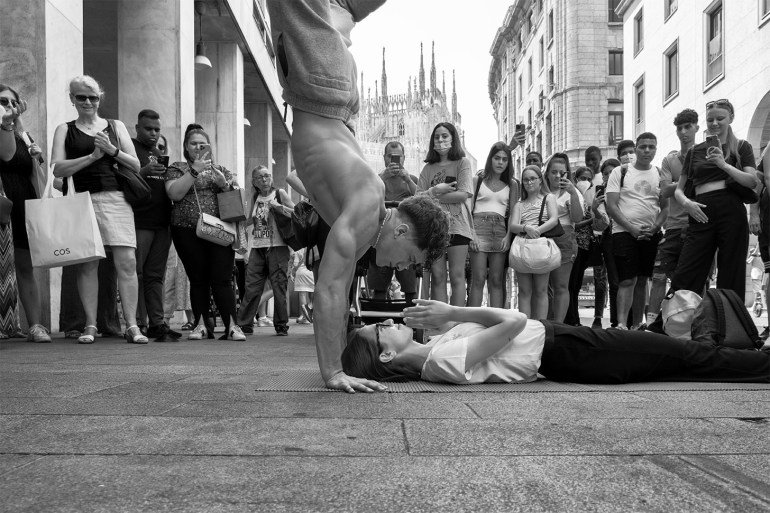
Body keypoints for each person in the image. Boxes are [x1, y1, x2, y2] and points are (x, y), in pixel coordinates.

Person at [266, 0, 449, 393]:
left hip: (329, 92)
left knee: (341, 9)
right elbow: (329, 289)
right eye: (412, 259)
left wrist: (345, 359)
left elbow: (339, 292)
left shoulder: (368, 221)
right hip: (322, 87)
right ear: (402, 232)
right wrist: (333, 372)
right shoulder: (367, 207)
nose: (405, 267)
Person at [341, 300, 770, 386]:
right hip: (572, 352)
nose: (390, 322)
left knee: (680, 360)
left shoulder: (437, 347)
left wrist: (449, 318)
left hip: (566, 344)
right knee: (686, 355)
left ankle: (751, 361)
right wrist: (453, 311)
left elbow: (506, 322)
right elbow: (514, 320)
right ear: (387, 353)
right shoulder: (440, 362)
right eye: (380, 330)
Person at [51, 75, 146, 344]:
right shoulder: (65, 129)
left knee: (127, 261)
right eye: (81, 97)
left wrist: (111, 150)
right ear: (72, 98)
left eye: (93, 97)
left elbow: (136, 165)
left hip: (116, 197)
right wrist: (92, 157)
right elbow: (57, 168)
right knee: (88, 263)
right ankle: (90, 325)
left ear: (100, 98)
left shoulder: (115, 126)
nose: (88, 102)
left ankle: (132, 325)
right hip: (82, 200)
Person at [671, 99, 758, 299]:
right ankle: (677, 315)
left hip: (731, 209)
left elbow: (752, 181)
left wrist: (723, 164)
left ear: (731, 118)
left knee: (732, 271)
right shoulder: (694, 151)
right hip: (700, 210)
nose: (715, 123)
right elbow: (679, 190)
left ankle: (728, 316)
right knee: (686, 272)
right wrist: (686, 203)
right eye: (710, 120)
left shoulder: (741, 146)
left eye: (720, 118)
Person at [165, 123, 244, 341]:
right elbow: (174, 194)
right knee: (198, 278)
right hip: (185, 229)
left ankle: (232, 326)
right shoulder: (177, 168)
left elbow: (236, 200)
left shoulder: (221, 170)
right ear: (186, 146)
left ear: (209, 146)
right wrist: (194, 170)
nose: (198, 147)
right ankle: (201, 325)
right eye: (193, 143)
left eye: (203, 143)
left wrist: (224, 185)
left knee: (223, 278)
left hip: (219, 230)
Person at [0, 84, 50, 342]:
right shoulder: (6, 130)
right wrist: (8, 124)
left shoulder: (23, 135)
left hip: (23, 203)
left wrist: (37, 159)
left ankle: (36, 326)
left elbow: (37, 177)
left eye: (13, 102)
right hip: (2, 202)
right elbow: (7, 157)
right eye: (3, 101)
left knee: (25, 267)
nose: (9, 106)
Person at [606, 133, 668, 330]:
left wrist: (655, 228)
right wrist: (631, 228)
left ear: (656, 149)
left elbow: (665, 208)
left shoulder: (659, 173)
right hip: (623, 233)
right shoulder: (620, 171)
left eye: (651, 147)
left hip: (650, 235)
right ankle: (621, 324)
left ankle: (636, 325)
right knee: (627, 280)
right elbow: (611, 205)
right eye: (642, 146)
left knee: (642, 280)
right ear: (636, 148)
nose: (647, 150)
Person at [647, 109, 698, 326]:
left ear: (696, 127)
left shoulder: (706, 154)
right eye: (680, 128)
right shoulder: (670, 160)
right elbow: (665, 191)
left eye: (688, 127)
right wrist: (689, 181)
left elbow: (672, 187)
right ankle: (651, 324)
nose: (684, 132)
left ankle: (692, 324)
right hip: (673, 228)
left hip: (699, 227)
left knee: (696, 279)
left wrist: (677, 184)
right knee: (658, 276)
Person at [131, 109, 178, 341]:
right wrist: (143, 171)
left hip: (162, 222)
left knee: (155, 275)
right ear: (137, 128)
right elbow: (121, 180)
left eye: (157, 130)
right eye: (148, 129)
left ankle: (157, 323)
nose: (153, 133)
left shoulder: (159, 153)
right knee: (136, 274)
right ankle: (137, 323)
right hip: (140, 220)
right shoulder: (129, 148)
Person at [418, 121, 474, 306]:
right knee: (437, 275)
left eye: (444, 136)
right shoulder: (428, 168)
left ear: (453, 139)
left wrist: (433, 194)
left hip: (458, 225)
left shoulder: (462, 163)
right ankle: (439, 319)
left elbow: (463, 194)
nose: (440, 140)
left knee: (457, 276)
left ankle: (455, 319)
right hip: (433, 227)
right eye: (437, 137)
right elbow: (418, 197)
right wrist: (436, 190)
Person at [236, 165, 294, 336]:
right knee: (252, 286)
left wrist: (279, 208)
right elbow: (249, 220)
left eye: (267, 176)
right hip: (257, 247)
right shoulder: (255, 197)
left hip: (277, 247)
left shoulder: (280, 194)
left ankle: (281, 325)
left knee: (278, 286)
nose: (264, 179)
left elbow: (297, 213)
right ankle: (245, 324)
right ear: (254, 181)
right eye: (259, 177)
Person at [368, 141, 419, 304]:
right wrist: (383, 177)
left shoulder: (412, 179)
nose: (394, 160)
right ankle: (378, 315)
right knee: (379, 286)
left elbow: (422, 199)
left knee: (410, 286)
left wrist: (407, 180)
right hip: (380, 237)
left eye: (398, 157)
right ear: (384, 158)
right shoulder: (376, 179)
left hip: (405, 239)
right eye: (390, 156)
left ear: (404, 158)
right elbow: (366, 195)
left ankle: (411, 316)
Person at [468, 142, 517, 308]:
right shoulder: (477, 180)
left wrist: (508, 236)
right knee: (478, 278)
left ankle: (496, 320)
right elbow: (468, 209)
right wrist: (472, 235)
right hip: (478, 228)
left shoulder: (512, 184)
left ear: (508, 162)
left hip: (500, 230)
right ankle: (472, 320)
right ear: (490, 159)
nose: (500, 162)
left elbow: (513, 213)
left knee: (496, 280)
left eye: (504, 159)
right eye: (497, 158)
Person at [508, 165, 558, 319]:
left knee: (541, 290)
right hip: (523, 247)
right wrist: (526, 228)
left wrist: (537, 231)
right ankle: (525, 326)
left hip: (541, 246)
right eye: (525, 180)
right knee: (524, 291)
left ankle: (541, 325)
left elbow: (554, 219)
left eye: (532, 179)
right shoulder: (519, 204)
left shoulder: (549, 198)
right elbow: (513, 226)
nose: (529, 182)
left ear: (540, 180)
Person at [565, 166, 609, 326]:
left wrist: (594, 211)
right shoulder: (571, 195)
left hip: (585, 246)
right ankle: (571, 319)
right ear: (575, 178)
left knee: (576, 284)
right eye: (582, 178)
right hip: (573, 245)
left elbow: (601, 222)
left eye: (589, 179)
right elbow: (572, 224)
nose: (586, 181)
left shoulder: (587, 198)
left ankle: (575, 319)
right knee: (571, 284)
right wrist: (590, 220)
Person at [543, 153, 584, 322]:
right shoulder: (540, 191)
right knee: (542, 288)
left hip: (565, 239)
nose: (558, 176)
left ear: (567, 173)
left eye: (562, 172)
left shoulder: (572, 192)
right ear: (547, 173)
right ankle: (543, 324)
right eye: (554, 172)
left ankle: (558, 326)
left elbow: (577, 218)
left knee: (561, 286)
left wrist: (573, 193)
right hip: (542, 240)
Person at [291, 247, 315, 324]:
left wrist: (292, 271)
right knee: (312, 292)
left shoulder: (298, 248)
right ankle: (312, 313)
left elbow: (295, 264)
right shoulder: (313, 247)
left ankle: (305, 317)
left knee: (302, 294)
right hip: (312, 272)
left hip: (301, 272)